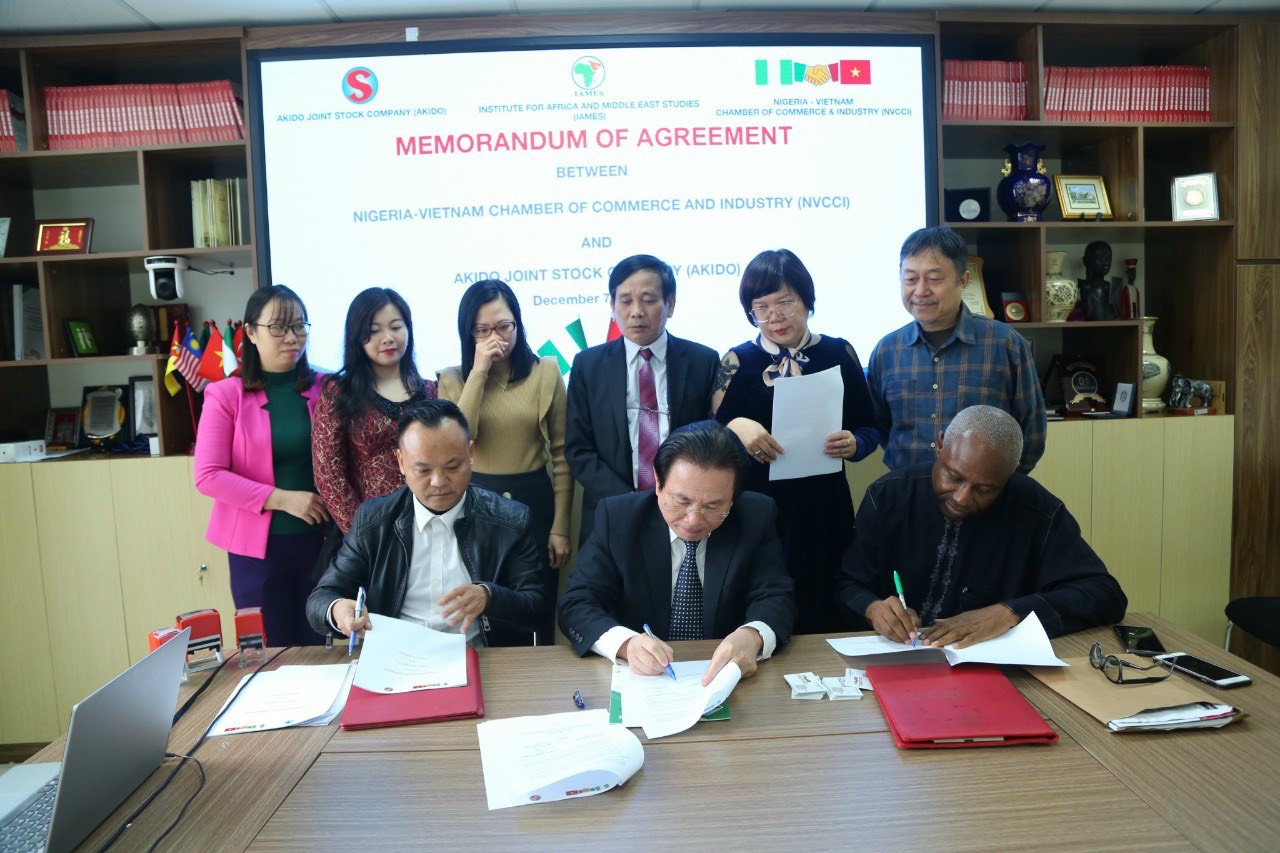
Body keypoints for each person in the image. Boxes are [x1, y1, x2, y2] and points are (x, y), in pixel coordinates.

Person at [837, 405, 1127, 647]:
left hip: (990, 666)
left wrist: (1009, 613)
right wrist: (873, 609)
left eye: (985, 489)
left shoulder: (1036, 511)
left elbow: (1105, 594)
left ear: (1009, 475)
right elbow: (847, 584)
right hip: (897, 659)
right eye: (954, 477)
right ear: (940, 445)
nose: (962, 498)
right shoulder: (888, 496)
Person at [712, 248, 877, 634]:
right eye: (761, 307)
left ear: (807, 299)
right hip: (759, 506)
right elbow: (711, 437)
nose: (775, 316)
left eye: (785, 301)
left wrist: (856, 443)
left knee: (826, 598)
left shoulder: (839, 351)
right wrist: (738, 425)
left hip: (825, 504)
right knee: (764, 596)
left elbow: (870, 427)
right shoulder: (737, 361)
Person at [559, 421, 795, 685]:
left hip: (727, 679)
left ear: (733, 497)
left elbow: (775, 596)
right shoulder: (618, 518)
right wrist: (625, 644)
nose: (693, 520)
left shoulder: (756, 516)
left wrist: (753, 635)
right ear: (658, 482)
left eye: (712, 506)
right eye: (682, 501)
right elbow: (577, 603)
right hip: (640, 681)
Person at [306, 399, 551, 646]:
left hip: (476, 656)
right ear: (401, 462)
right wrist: (337, 609)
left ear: (470, 454)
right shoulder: (373, 520)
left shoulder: (509, 520)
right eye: (423, 470)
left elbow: (537, 609)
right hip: (395, 656)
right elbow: (322, 597)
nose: (439, 482)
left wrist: (489, 597)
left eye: (452, 467)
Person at [194, 285, 329, 646]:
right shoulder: (226, 395)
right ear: (251, 332)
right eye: (279, 327)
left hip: (321, 544)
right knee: (269, 656)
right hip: (255, 551)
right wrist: (283, 499)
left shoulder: (328, 388)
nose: (292, 337)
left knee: (323, 651)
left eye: (299, 326)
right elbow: (208, 476)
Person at [437, 279, 570, 644]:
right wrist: (479, 372)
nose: (494, 337)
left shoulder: (546, 371)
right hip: (476, 502)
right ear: (468, 332)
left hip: (533, 499)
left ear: (518, 324)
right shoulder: (452, 379)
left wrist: (560, 527)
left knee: (534, 607)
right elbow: (459, 439)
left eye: (503, 326)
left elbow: (562, 456)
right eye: (482, 330)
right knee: (481, 610)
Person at [565, 254, 720, 545]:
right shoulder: (588, 365)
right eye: (625, 301)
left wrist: (677, 498)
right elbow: (578, 449)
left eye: (648, 300)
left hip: (687, 515)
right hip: (611, 511)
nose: (636, 311)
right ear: (612, 306)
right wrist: (629, 501)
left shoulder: (703, 361)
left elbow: (712, 440)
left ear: (670, 304)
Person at [868, 226, 1046, 473]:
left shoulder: (1006, 344)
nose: (920, 291)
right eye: (910, 279)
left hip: (984, 492)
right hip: (908, 491)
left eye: (934, 279)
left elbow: (1031, 432)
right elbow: (882, 426)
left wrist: (992, 485)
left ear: (963, 280)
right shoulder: (887, 351)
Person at [312, 287, 437, 534]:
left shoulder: (433, 391)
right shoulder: (338, 393)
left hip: (431, 528)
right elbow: (328, 476)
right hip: (369, 532)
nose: (388, 338)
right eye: (374, 331)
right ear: (357, 337)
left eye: (396, 327)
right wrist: (364, 536)